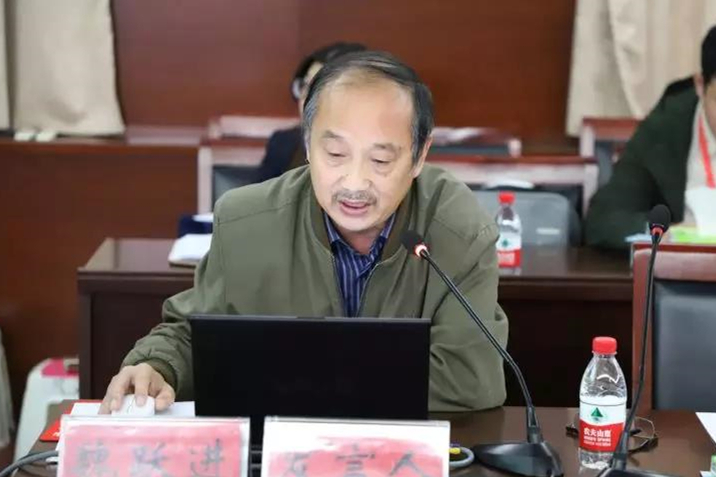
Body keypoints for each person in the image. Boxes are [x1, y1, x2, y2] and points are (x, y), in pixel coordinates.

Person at [101, 51, 508, 414]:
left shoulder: (459, 229)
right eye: (335, 154)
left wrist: (296, 374)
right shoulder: (246, 222)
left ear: (420, 155)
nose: (354, 183)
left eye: (381, 160)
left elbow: (470, 378)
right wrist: (157, 365)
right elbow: (193, 334)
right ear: (308, 144)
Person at [585, 26, 716, 250]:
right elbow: (604, 218)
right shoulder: (666, 128)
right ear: (700, 85)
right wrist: (664, 234)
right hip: (686, 267)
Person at [254, 42, 367, 183]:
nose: (306, 97)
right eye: (305, 85)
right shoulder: (283, 143)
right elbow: (260, 195)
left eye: (319, 87)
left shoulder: (375, 151)